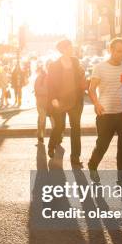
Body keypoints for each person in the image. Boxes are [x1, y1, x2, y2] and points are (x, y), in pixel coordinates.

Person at [88, 38, 122, 184]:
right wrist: (97, 104)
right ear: (111, 50)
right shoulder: (100, 67)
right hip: (106, 115)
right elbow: (91, 89)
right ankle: (92, 165)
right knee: (102, 145)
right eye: (119, 51)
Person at [47, 39, 88, 167]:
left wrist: (83, 74)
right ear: (63, 49)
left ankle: (75, 157)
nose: (72, 49)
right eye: (70, 47)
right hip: (60, 101)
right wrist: (53, 98)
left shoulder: (76, 62)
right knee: (59, 126)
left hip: (75, 101)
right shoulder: (54, 65)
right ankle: (52, 144)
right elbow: (51, 84)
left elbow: (81, 76)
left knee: (76, 129)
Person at [34, 64, 50, 144]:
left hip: (46, 102)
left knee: (42, 119)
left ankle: (41, 135)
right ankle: (40, 135)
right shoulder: (40, 78)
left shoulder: (49, 77)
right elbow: (38, 89)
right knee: (42, 119)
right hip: (42, 102)